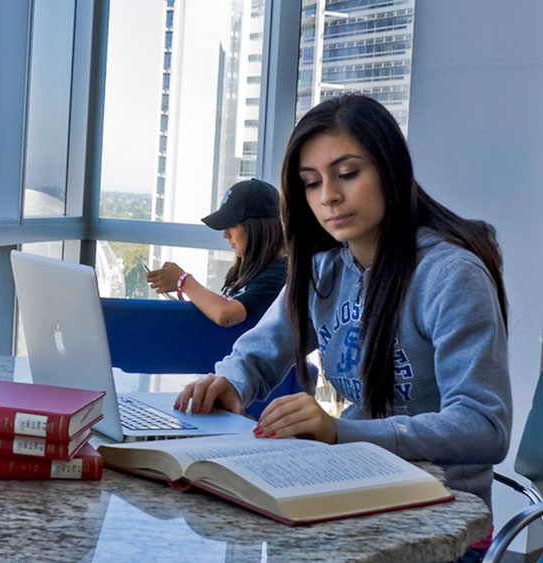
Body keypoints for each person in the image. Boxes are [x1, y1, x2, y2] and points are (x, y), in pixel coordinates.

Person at [174, 94, 510, 558]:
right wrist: (230, 385)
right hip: (351, 490)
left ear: (390, 170)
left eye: (347, 174)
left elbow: (483, 425)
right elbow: (258, 352)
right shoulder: (323, 269)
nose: (328, 195)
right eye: (311, 183)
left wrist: (341, 432)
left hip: (440, 513)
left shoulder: (450, 276)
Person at [146, 178, 286, 327]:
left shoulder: (279, 275)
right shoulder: (245, 271)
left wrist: (183, 281)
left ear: (258, 228)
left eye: (232, 225)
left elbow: (226, 315)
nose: (225, 234)